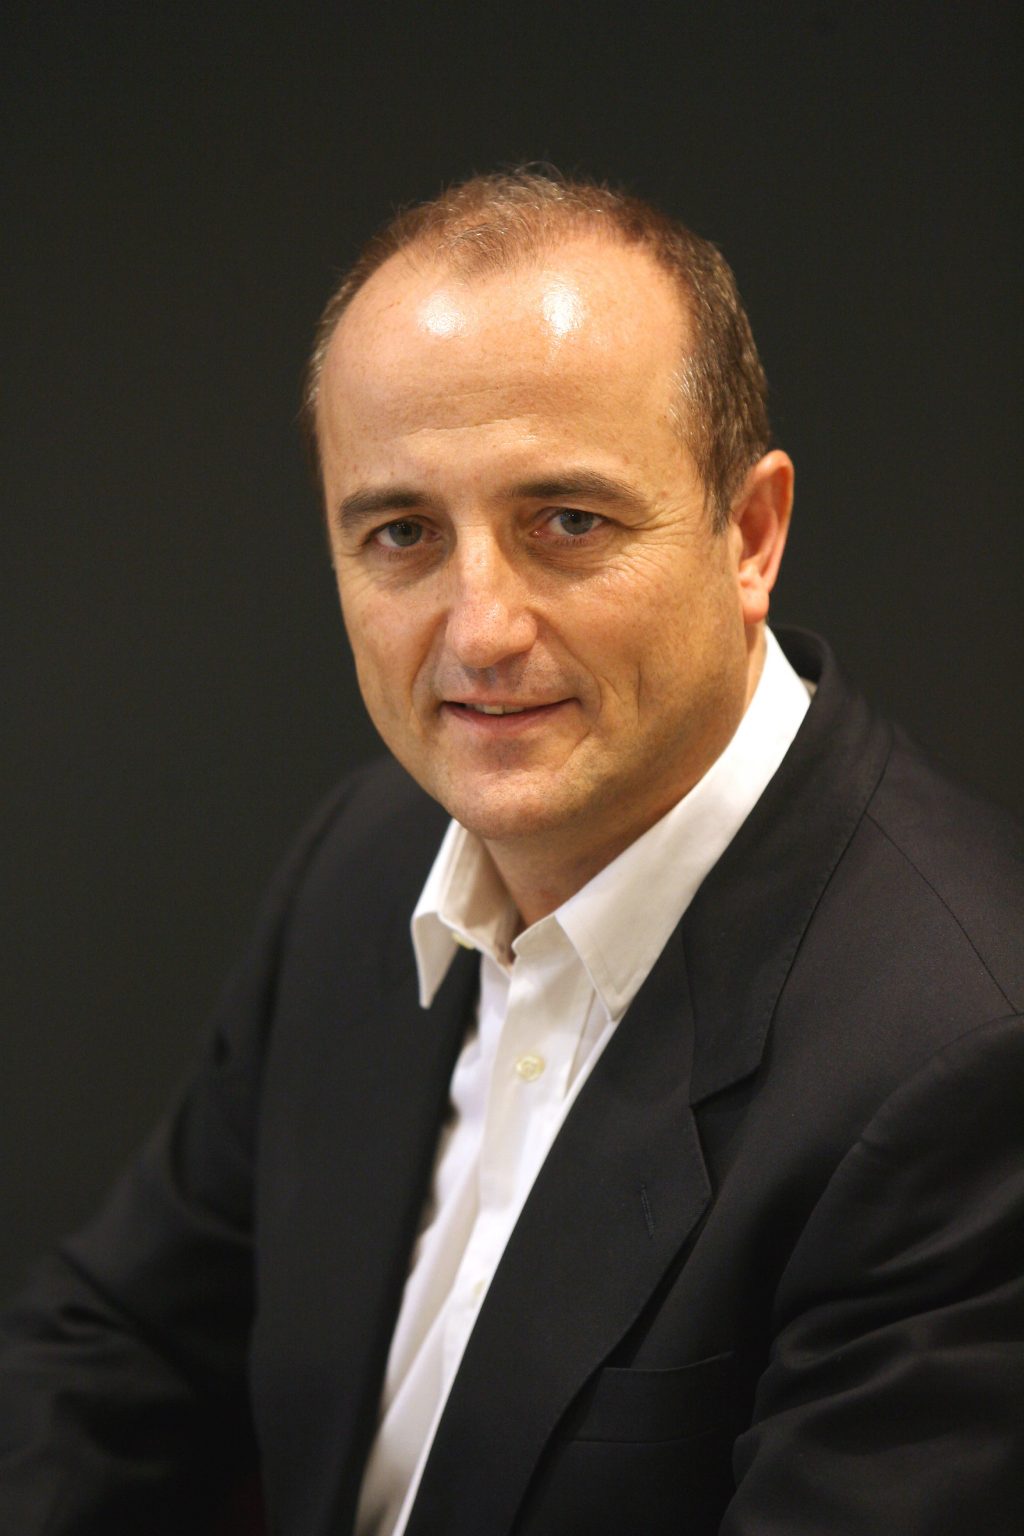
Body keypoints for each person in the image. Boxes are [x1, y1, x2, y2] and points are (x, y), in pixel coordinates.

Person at [1, 169, 1022, 1536]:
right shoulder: (366, 861)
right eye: (402, 534)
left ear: (750, 535)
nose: (480, 629)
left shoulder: (967, 1063)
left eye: (569, 522)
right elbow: (117, 1353)